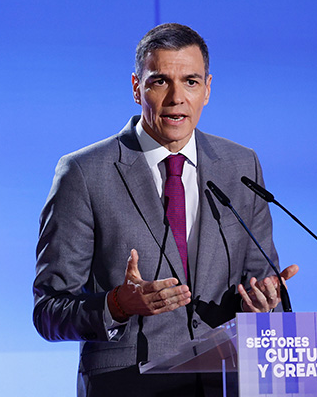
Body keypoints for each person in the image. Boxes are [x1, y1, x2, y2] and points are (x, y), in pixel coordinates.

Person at [33, 23, 298, 397]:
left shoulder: (241, 166)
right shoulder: (84, 172)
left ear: (207, 89)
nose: (177, 98)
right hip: (128, 385)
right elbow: (49, 310)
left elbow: (260, 283)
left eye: (190, 82)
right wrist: (117, 305)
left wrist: (262, 305)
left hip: (225, 382)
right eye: (160, 81)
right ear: (136, 87)